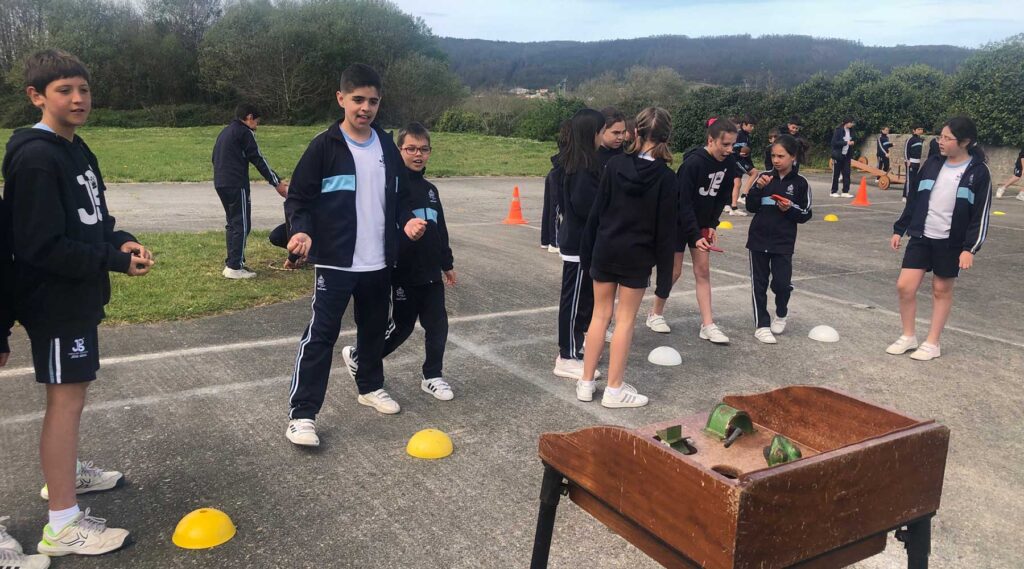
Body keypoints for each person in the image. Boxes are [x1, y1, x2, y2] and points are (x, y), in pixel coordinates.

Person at [3, 49, 155, 557]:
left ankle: (64, 475)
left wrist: (123, 242)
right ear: (36, 96)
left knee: (75, 394)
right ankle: (62, 524)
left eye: (83, 89)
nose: (77, 98)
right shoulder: (36, 157)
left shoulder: (77, 148)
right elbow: (39, 245)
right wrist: (110, 262)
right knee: (65, 400)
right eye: (64, 90)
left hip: (79, 294)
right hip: (54, 300)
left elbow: (93, 221)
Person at [284, 63, 427, 447]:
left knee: (371, 331)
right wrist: (301, 230)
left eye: (373, 101)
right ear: (341, 99)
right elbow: (299, 197)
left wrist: (407, 221)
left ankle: (370, 386)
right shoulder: (324, 146)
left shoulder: (385, 145)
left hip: (378, 261)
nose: (365, 108)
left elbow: (396, 197)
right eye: (358, 100)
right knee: (321, 336)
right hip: (335, 260)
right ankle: (302, 414)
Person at [345, 123, 456, 401]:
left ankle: (432, 376)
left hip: (431, 273)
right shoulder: (391, 187)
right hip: (403, 272)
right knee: (401, 327)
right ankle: (362, 357)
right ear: (399, 150)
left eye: (423, 149)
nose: (417, 154)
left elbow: (440, 230)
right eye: (411, 149)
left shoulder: (431, 190)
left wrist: (447, 263)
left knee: (438, 324)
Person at [576, 107, 677, 408]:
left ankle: (585, 381)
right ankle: (614, 389)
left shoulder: (615, 165)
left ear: (635, 132)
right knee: (625, 321)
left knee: (599, 316)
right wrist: (664, 283)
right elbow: (666, 233)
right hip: (637, 255)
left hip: (605, 248)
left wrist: (587, 254)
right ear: (666, 137)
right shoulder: (666, 178)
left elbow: (597, 213)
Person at [889, 117, 992, 361]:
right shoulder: (933, 163)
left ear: (965, 142)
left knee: (941, 290)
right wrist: (899, 228)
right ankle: (908, 336)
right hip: (922, 235)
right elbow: (915, 199)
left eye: (947, 138)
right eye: (940, 137)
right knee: (904, 286)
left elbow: (981, 214)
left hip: (951, 242)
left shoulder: (978, 172)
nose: (941, 142)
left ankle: (932, 343)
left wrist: (970, 248)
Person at [646, 117, 731, 343]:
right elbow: (682, 203)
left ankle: (708, 325)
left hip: (701, 225)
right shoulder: (693, 164)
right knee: (674, 271)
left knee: (702, 271)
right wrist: (695, 234)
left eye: (733, 144)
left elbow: (722, 196)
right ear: (711, 140)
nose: (729, 149)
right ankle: (655, 314)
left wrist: (712, 224)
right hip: (677, 223)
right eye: (725, 144)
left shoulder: (728, 164)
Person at [552, 109, 605, 381]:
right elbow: (587, 208)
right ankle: (566, 356)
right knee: (572, 301)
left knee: (583, 298)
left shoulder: (586, 162)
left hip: (585, 243)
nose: (605, 136)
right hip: (577, 244)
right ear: (592, 134)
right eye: (602, 131)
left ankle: (575, 344)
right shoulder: (581, 168)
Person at [744, 135, 813, 344]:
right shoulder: (764, 178)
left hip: (783, 242)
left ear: (792, 157)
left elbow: (806, 214)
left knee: (782, 284)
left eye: (781, 156)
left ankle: (781, 311)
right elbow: (750, 207)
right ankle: (762, 325)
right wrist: (757, 189)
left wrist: (789, 208)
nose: (776, 160)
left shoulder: (801, 184)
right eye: (773, 156)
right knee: (759, 284)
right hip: (758, 239)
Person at [212, 103, 288, 279]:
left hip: (220, 182)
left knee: (232, 223)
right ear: (249, 117)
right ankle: (234, 267)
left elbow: (214, 157)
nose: (257, 126)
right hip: (236, 183)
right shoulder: (245, 132)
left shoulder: (225, 132)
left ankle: (233, 262)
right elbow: (258, 158)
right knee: (242, 224)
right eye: (257, 122)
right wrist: (276, 182)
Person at [541, 120, 571, 253]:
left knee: (550, 209)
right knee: (556, 209)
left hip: (554, 175)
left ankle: (546, 240)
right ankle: (555, 242)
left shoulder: (562, 142)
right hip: (559, 177)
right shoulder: (570, 146)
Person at [830, 116, 856, 197]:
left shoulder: (851, 131)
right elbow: (834, 143)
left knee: (847, 173)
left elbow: (853, 139)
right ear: (846, 122)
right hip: (838, 155)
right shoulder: (838, 130)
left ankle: (845, 191)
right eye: (851, 122)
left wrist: (852, 142)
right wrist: (846, 143)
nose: (852, 124)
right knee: (836, 174)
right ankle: (833, 191)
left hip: (847, 155)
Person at [904, 125, 925, 203]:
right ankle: (906, 196)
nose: (921, 130)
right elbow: (906, 150)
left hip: (917, 162)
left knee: (915, 179)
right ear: (914, 130)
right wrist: (907, 160)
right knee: (909, 180)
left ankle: (912, 195)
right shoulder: (910, 139)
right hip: (911, 162)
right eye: (919, 129)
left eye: (921, 129)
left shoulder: (920, 140)